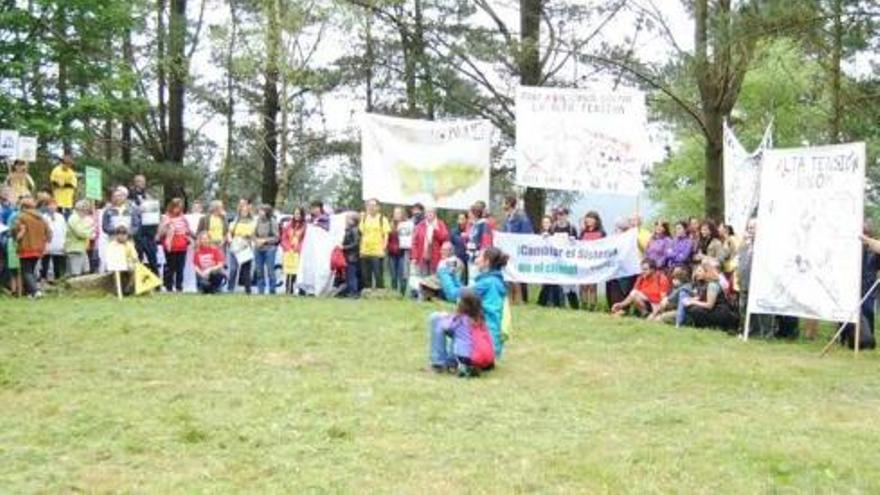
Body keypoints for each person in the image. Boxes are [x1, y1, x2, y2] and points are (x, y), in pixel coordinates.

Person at [438, 246, 509, 358]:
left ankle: (440, 361)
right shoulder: (495, 282)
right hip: (491, 344)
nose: (476, 260)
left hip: (481, 344)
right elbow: (465, 292)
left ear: (487, 262)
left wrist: (442, 271)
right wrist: (453, 275)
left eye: (479, 256)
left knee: (437, 319)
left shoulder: (486, 284)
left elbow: (453, 295)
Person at [426, 289, 495, 377]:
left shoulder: (460, 319)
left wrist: (447, 316)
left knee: (437, 321)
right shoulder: (480, 320)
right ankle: (461, 366)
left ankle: (438, 363)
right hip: (480, 357)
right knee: (460, 336)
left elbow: (445, 326)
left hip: (464, 356)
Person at [736, 218, 775, 338]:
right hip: (744, 281)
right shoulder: (744, 245)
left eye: (753, 228)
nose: (750, 230)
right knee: (743, 307)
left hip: (760, 283)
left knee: (762, 308)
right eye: (749, 228)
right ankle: (748, 330)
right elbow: (740, 261)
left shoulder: (765, 246)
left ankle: (766, 333)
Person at [681, 261, 739, 331]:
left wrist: (692, 302)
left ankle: (708, 326)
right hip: (715, 310)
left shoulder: (712, 285)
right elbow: (701, 297)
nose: (697, 273)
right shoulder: (706, 283)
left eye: (700, 271)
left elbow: (709, 305)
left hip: (720, 313)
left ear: (707, 272)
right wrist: (690, 299)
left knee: (694, 309)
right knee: (690, 306)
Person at [13, 195, 50, 298]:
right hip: (39, 248)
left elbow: (15, 231)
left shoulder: (21, 217)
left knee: (26, 271)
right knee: (31, 270)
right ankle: (30, 293)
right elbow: (49, 233)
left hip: (26, 247)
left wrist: (16, 234)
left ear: (23, 207)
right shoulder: (41, 217)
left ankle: (36, 291)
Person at [503, 195, 533, 305]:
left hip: (518, 250)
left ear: (509, 204)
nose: (503, 205)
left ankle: (521, 299)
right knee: (510, 273)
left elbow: (526, 234)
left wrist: (519, 245)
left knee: (518, 275)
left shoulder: (521, 217)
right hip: (509, 249)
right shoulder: (508, 217)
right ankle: (512, 298)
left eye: (504, 203)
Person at [157, 198, 192, 292]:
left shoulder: (183, 217)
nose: (178, 209)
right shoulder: (166, 217)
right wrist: (167, 227)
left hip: (182, 245)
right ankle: (169, 286)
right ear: (172, 207)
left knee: (180, 267)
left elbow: (188, 230)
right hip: (170, 245)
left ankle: (179, 286)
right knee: (170, 267)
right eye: (177, 207)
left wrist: (193, 236)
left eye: (180, 207)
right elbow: (160, 233)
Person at [130, 174, 160, 276]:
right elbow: (128, 211)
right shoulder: (129, 197)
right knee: (138, 258)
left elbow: (155, 213)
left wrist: (156, 231)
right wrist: (139, 210)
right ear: (135, 182)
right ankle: (138, 281)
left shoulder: (148, 196)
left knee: (153, 258)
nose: (142, 183)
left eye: (143, 181)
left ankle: (157, 281)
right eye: (139, 181)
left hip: (149, 232)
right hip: (137, 232)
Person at [551, 207, 580, 310]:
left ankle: (575, 306)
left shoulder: (572, 228)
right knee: (557, 283)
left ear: (567, 215)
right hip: (557, 259)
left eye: (562, 214)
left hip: (569, 260)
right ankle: (558, 305)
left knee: (570, 284)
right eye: (559, 214)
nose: (560, 217)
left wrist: (574, 241)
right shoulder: (553, 227)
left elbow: (578, 244)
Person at [359, 198, 390, 290]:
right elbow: (361, 234)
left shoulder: (382, 219)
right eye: (369, 205)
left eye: (373, 205)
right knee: (365, 275)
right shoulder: (364, 218)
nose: (371, 207)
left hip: (377, 251)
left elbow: (386, 235)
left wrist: (384, 247)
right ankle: (367, 292)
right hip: (365, 251)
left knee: (378, 274)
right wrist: (361, 249)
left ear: (378, 207)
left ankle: (380, 292)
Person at [227, 199, 256, 294]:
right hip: (235, 246)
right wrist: (230, 239)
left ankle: (248, 290)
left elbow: (254, 235)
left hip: (246, 247)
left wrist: (250, 241)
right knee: (233, 269)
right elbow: (229, 232)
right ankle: (230, 288)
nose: (244, 212)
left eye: (246, 211)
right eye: (243, 211)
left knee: (246, 270)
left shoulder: (253, 222)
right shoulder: (235, 221)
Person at [579, 211, 605, 311]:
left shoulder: (601, 233)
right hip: (584, 261)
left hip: (595, 263)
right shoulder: (583, 232)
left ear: (596, 220)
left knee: (593, 285)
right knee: (583, 284)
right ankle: (584, 304)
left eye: (591, 218)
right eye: (587, 218)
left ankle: (593, 305)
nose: (589, 220)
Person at [411, 206, 448, 276]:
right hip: (422, 257)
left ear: (435, 214)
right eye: (428, 212)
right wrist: (414, 257)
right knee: (423, 278)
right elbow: (414, 242)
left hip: (436, 257)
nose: (429, 214)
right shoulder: (420, 225)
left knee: (433, 279)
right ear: (425, 214)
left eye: (431, 212)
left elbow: (444, 238)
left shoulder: (440, 224)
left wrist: (435, 230)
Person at [253, 204, 280, 295]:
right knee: (259, 270)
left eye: (262, 211)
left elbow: (276, 238)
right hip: (258, 249)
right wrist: (256, 241)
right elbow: (253, 234)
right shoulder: (257, 221)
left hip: (270, 249)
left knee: (270, 270)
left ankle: (272, 290)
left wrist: (264, 241)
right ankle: (260, 290)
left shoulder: (273, 222)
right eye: (259, 210)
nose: (259, 212)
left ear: (266, 212)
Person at [106, 225, 139, 295]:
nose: (122, 237)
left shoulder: (129, 245)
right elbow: (110, 257)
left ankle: (128, 288)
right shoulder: (112, 245)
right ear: (116, 235)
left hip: (128, 264)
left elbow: (135, 257)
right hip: (116, 264)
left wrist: (132, 263)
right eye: (120, 234)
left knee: (135, 271)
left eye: (124, 234)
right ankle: (117, 290)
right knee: (115, 273)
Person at [65, 200, 94, 277]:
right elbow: (80, 233)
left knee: (86, 270)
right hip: (74, 249)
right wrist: (89, 231)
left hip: (82, 249)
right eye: (85, 209)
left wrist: (89, 230)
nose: (86, 212)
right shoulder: (73, 218)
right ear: (79, 209)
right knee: (75, 273)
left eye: (87, 210)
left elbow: (91, 231)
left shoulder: (82, 219)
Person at [280, 207, 306, 294]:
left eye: (298, 214)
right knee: (288, 270)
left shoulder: (305, 226)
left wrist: (298, 248)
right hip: (288, 250)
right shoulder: (289, 225)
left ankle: (294, 287)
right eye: (295, 213)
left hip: (298, 251)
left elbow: (304, 239)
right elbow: (284, 237)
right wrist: (287, 247)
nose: (297, 215)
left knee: (296, 270)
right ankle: (287, 287)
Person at [387, 206, 411, 297]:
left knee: (403, 274)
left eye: (398, 213)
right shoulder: (390, 224)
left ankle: (402, 293)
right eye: (395, 213)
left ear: (402, 214)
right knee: (393, 275)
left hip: (403, 253)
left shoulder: (407, 225)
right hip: (392, 253)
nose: (396, 215)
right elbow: (386, 239)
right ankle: (394, 294)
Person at [40, 200, 67, 281]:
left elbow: (64, 229)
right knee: (45, 262)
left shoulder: (60, 217)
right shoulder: (44, 217)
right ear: (47, 207)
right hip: (47, 243)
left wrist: (64, 241)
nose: (52, 207)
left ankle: (57, 278)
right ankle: (44, 278)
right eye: (50, 205)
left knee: (57, 262)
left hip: (58, 242)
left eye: (54, 205)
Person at [341, 212, 361, 298]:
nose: (346, 220)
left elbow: (356, 244)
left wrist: (344, 247)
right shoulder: (349, 229)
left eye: (348, 219)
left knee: (351, 274)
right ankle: (350, 291)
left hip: (352, 256)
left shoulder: (355, 230)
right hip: (348, 255)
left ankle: (354, 292)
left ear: (353, 221)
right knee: (348, 275)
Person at [449, 212, 470, 285]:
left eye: (462, 218)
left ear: (466, 220)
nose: (460, 220)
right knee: (456, 278)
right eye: (459, 218)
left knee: (467, 279)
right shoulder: (453, 231)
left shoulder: (470, 231)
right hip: (457, 258)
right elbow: (451, 244)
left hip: (467, 258)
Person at [718, 223, 739, 290]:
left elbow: (725, 254)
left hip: (731, 270)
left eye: (720, 227)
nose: (718, 229)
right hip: (729, 269)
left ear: (726, 229)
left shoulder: (731, 239)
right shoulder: (727, 239)